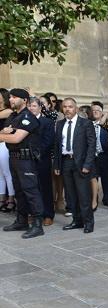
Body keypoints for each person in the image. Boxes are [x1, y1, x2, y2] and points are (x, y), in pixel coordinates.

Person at [0, 88, 44, 238]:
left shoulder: (28, 117)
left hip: (26, 159)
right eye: (10, 97)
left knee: (30, 191)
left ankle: (38, 224)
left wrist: (8, 133)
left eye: (14, 97)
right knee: (18, 190)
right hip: (13, 157)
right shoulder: (13, 116)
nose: (10, 99)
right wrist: (6, 133)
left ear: (24, 100)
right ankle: (22, 220)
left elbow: (16, 138)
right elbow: (4, 133)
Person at [53, 98, 97, 233]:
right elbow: (57, 146)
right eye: (65, 107)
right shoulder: (60, 124)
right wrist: (57, 165)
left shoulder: (86, 123)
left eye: (70, 107)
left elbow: (91, 145)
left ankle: (88, 223)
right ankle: (77, 221)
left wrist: (87, 164)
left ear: (76, 108)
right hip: (66, 162)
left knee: (83, 195)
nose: (67, 109)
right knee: (71, 196)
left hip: (81, 163)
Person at [28, 97, 55, 225]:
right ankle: (35, 214)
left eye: (33, 105)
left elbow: (48, 141)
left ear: (40, 107)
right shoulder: (24, 121)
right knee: (31, 188)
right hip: (27, 161)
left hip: (42, 160)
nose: (31, 108)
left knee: (45, 187)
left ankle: (48, 214)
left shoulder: (47, 122)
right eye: (29, 106)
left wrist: (35, 153)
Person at [90, 101, 108, 208]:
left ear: (102, 112)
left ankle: (107, 198)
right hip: (92, 156)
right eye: (93, 110)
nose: (95, 112)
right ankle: (94, 198)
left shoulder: (107, 124)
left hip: (104, 154)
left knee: (106, 177)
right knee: (93, 178)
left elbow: (101, 123)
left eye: (98, 110)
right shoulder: (88, 124)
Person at [0, 88, 15, 213]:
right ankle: (2, 198)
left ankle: (11, 199)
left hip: (4, 143)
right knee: (0, 174)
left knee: (7, 173)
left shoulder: (8, 111)